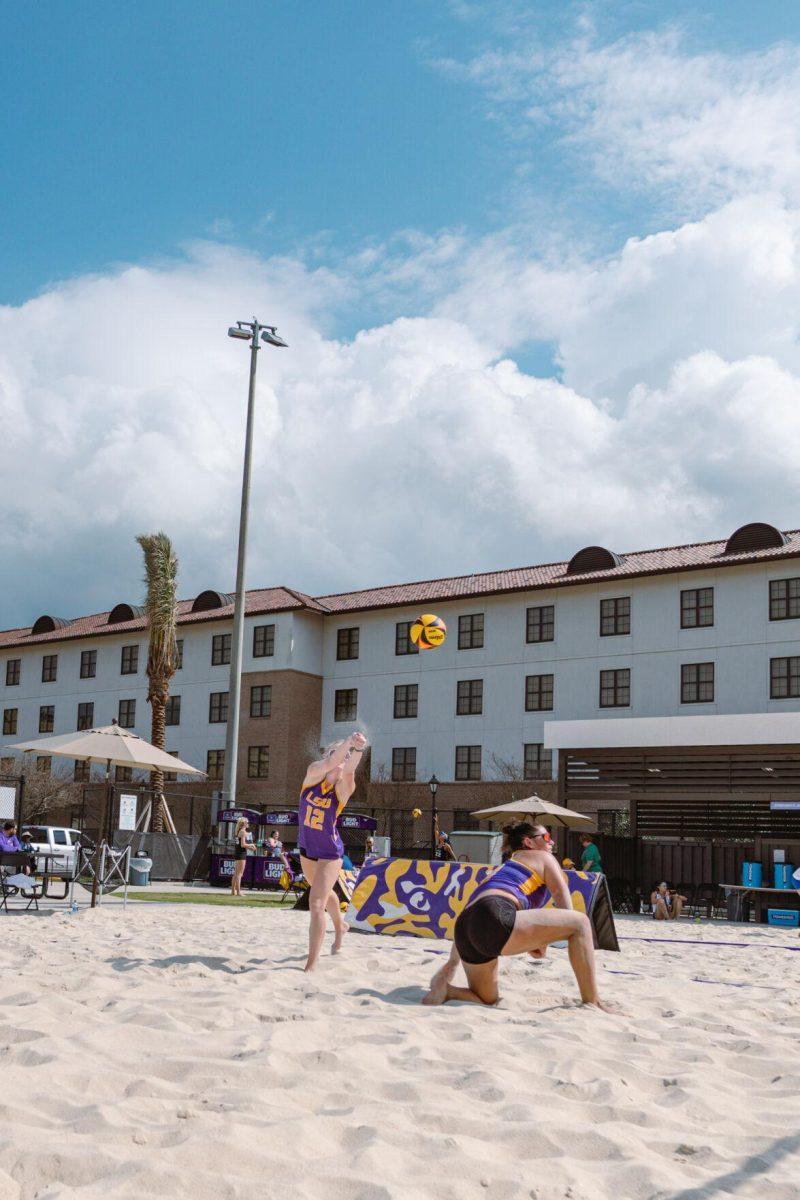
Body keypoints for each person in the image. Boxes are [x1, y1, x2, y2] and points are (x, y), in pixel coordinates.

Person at [422, 821, 616, 1012]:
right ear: (529, 842)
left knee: (485, 998)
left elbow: (478, 913)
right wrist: (565, 929)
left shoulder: (502, 869)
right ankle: (594, 1001)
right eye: (546, 837)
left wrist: (451, 964)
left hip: (465, 929)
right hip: (494, 916)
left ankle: (446, 990)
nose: (552, 842)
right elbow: (560, 893)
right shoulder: (542, 857)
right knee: (580, 922)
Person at [298, 730, 367, 971]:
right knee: (326, 896)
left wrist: (357, 750)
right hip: (307, 848)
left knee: (316, 904)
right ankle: (340, 926)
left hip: (330, 852)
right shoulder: (313, 774)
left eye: (346, 757)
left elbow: (347, 769)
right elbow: (331, 762)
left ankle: (311, 965)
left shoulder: (344, 787)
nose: (341, 760)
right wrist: (349, 742)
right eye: (338, 754)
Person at [230, 816, 254, 897]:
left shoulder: (238, 831)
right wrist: (251, 845)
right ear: (244, 823)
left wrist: (250, 847)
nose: (248, 823)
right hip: (241, 854)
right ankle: (239, 892)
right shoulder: (243, 831)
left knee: (236, 874)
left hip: (237, 853)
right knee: (239, 874)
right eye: (247, 822)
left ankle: (233, 891)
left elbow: (241, 845)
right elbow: (243, 844)